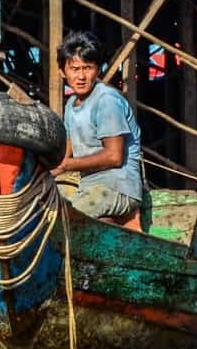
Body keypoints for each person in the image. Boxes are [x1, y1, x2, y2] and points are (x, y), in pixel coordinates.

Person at [50, 31, 144, 223]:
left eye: (88, 68)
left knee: (62, 219)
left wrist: (67, 165)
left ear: (98, 70)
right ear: (62, 71)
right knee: (43, 202)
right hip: (89, 187)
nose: (81, 76)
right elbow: (65, 156)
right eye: (75, 69)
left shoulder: (106, 100)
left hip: (118, 187)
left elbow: (114, 157)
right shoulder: (71, 104)